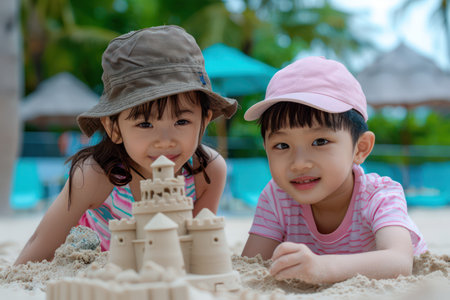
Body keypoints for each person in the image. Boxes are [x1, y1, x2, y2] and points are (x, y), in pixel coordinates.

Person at [15, 25, 237, 264]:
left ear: (203, 121)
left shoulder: (207, 172)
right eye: (144, 124)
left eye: (181, 121)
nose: (165, 140)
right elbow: (35, 254)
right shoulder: (94, 176)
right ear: (114, 128)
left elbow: (197, 252)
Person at [241, 56, 427, 284]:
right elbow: (250, 263)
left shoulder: (380, 195)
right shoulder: (276, 197)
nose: (299, 163)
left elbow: (399, 262)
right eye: (282, 145)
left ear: (360, 148)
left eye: (320, 142)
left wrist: (323, 267)